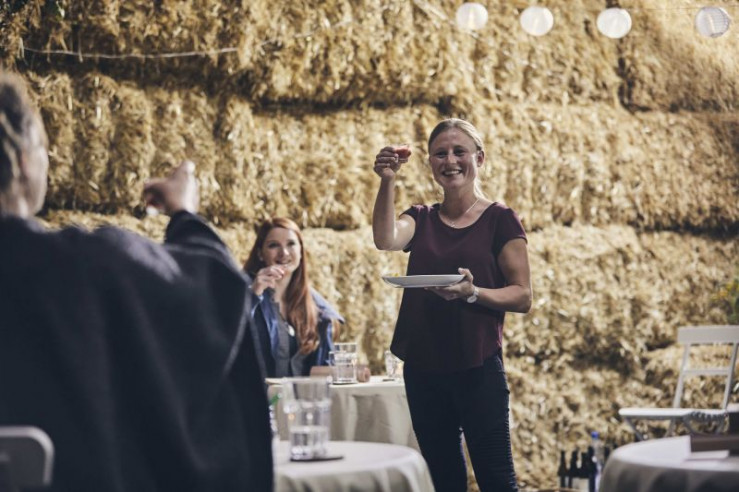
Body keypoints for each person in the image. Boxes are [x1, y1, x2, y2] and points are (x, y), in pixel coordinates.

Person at [0, 71, 272, 492]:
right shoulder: (84, 266)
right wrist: (186, 214)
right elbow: (208, 293)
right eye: (43, 149)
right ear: (22, 161)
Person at [372, 118, 532, 492]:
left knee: (496, 480)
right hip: (423, 367)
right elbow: (385, 239)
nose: (450, 161)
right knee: (443, 481)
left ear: (480, 158)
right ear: (430, 163)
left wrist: (473, 293)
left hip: (478, 366)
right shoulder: (422, 217)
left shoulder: (500, 220)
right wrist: (387, 180)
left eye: (460, 151)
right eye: (440, 153)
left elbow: (522, 295)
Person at [244, 217, 343, 378]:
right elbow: (227, 338)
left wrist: (349, 371)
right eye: (273, 245)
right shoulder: (245, 293)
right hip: (258, 393)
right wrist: (253, 295)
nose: (284, 253)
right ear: (260, 254)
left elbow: (318, 368)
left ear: (301, 251)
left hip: (301, 394)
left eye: (291, 244)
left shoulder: (316, 307)